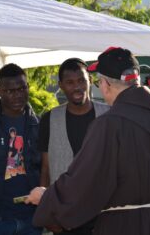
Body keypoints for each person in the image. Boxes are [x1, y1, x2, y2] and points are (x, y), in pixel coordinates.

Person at [26, 47, 150, 235]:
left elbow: (86, 180)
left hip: (125, 226)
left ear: (105, 84)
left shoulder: (109, 123)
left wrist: (47, 197)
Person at [38, 58, 109, 234]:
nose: (77, 87)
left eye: (81, 81)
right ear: (61, 85)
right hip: (65, 217)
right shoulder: (50, 119)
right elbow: (46, 169)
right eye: (69, 82)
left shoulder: (109, 115)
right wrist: (48, 212)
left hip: (104, 214)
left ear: (90, 81)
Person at [0, 63, 42, 235]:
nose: (17, 95)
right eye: (10, 91)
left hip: (31, 219)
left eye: (22, 88)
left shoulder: (39, 123)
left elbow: (46, 168)